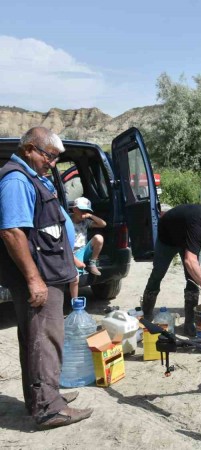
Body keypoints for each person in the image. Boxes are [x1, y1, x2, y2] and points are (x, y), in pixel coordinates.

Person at [0, 127, 93, 428]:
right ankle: (48, 408)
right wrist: (33, 279)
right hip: (40, 276)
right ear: (29, 149)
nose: (52, 163)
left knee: (38, 338)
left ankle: (44, 397)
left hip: (49, 271)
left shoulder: (32, 177)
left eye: (55, 158)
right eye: (49, 156)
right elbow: (13, 232)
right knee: (44, 338)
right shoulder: (16, 179)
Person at [141, 204, 201, 336]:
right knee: (158, 272)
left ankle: (189, 323)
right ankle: (146, 314)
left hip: (189, 237)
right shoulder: (198, 224)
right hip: (168, 236)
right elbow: (190, 261)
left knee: (192, 279)